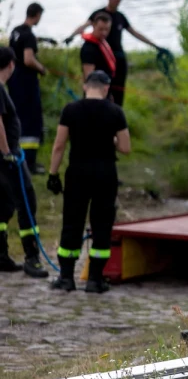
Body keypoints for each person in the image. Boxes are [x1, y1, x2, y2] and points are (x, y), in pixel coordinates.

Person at [46, 70, 130, 293]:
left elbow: (59, 146)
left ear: (85, 87)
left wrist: (53, 174)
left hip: (77, 173)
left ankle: (66, 278)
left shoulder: (70, 110)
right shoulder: (116, 112)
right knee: (102, 224)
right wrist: (110, 139)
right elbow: (125, 147)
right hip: (105, 174)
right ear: (106, 88)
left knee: (72, 222)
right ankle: (95, 280)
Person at [66, 0, 165, 107]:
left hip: (117, 58)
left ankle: (116, 110)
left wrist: (154, 45)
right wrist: (71, 36)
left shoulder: (120, 17)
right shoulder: (98, 16)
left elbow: (135, 33)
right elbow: (84, 26)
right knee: (98, 85)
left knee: (117, 91)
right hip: (100, 56)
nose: (118, 2)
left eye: (120, 0)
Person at [0, 47, 50, 278]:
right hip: (8, 157)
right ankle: (32, 258)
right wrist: (6, 152)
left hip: (4, 157)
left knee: (4, 204)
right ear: (11, 64)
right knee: (26, 202)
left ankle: (1, 255)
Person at [9, 3, 49, 174]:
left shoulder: (16, 31)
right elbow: (28, 59)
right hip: (27, 82)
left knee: (17, 117)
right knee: (31, 121)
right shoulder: (29, 36)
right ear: (37, 15)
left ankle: (17, 156)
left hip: (13, 79)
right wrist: (42, 69)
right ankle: (30, 163)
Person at [79, 12, 117, 92]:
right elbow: (89, 76)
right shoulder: (89, 48)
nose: (104, 33)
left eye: (107, 29)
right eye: (100, 29)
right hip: (95, 93)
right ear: (93, 25)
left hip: (106, 90)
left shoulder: (102, 43)